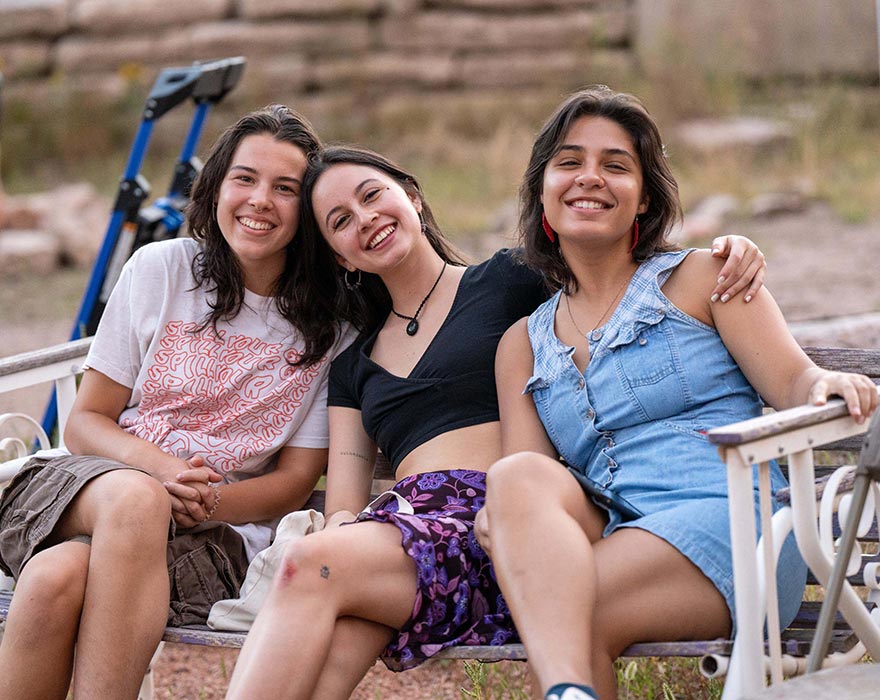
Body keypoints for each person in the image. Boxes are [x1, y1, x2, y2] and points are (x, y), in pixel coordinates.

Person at [224, 141, 768, 700]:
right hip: (404, 537)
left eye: (373, 196)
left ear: (411, 196)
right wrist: (341, 531)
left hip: (500, 523)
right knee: (328, 645)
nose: (365, 220)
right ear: (340, 256)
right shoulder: (352, 367)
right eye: (340, 221)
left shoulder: (509, 280)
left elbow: (619, 282)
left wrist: (730, 252)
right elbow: (342, 501)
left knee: (305, 565)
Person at [476, 86, 879, 700]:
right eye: (569, 162)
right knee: (513, 481)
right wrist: (505, 521)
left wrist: (822, 385)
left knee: (564, 606)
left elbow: (793, 379)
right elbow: (533, 472)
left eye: (616, 165)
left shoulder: (705, 278)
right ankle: (569, 690)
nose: (590, 177)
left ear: (642, 199)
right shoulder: (521, 346)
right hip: (612, 527)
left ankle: (562, 690)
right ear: (542, 194)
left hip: (736, 524)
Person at [0, 104, 353, 700]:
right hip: (94, 486)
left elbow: (295, 480)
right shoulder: (162, 269)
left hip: (214, 534)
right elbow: (87, 421)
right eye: (244, 178)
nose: (260, 200)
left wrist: (205, 502)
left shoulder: (333, 325)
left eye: (285, 188)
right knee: (137, 500)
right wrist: (162, 474)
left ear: (309, 208)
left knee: (56, 578)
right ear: (216, 186)